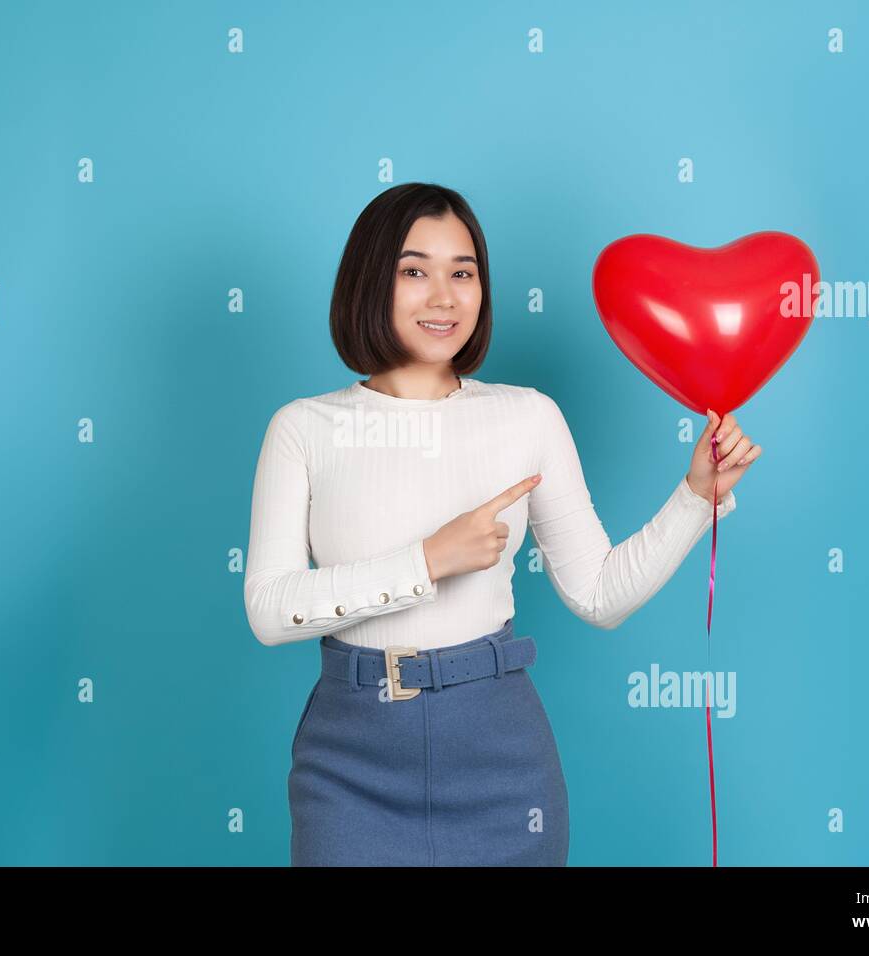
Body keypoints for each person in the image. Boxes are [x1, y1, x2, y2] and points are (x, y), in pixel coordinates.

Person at [243, 182, 760, 866]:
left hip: (500, 760)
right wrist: (426, 561)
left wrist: (696, 498)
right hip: (350, 761)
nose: (444, 296)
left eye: (463, 272)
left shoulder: (527, 417)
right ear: (370, 281)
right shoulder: (303, 430)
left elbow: (600, 595)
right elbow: (269, 611)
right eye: (414, 271)